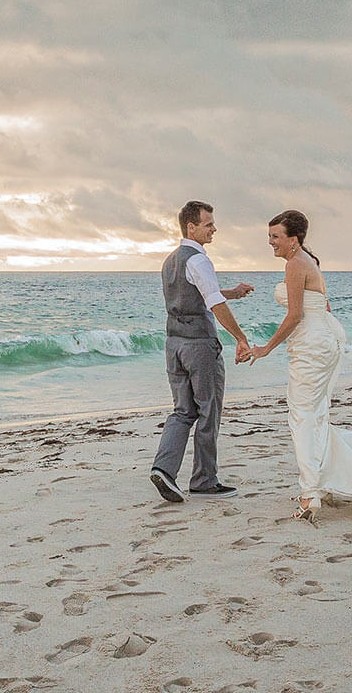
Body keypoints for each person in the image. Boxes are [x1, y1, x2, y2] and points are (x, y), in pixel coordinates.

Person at [240, 210, 352, 522]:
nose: (270, 242)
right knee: (315, 415)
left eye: (275, 236)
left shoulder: (295, 264)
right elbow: (323, 306)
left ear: (293, 239)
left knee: (302, 418)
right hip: (325, 339)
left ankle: (309, 495)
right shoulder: (309, 261)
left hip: (312, 346)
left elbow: (294, 316)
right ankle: (323, 484)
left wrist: (265, 348)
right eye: (269, 236)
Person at [150, 200, 255, 503]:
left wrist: (232, 292)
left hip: (173, 344)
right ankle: (204, 480)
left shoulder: (171, 260)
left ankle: (164, 469)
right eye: (208, 224)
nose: (214, 229)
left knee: (183, 411)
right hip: (199, 346)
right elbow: (213, 304)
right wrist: (241, 337)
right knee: (209, 411)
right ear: (191, 227)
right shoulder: (199, 260)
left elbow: (195, 295)